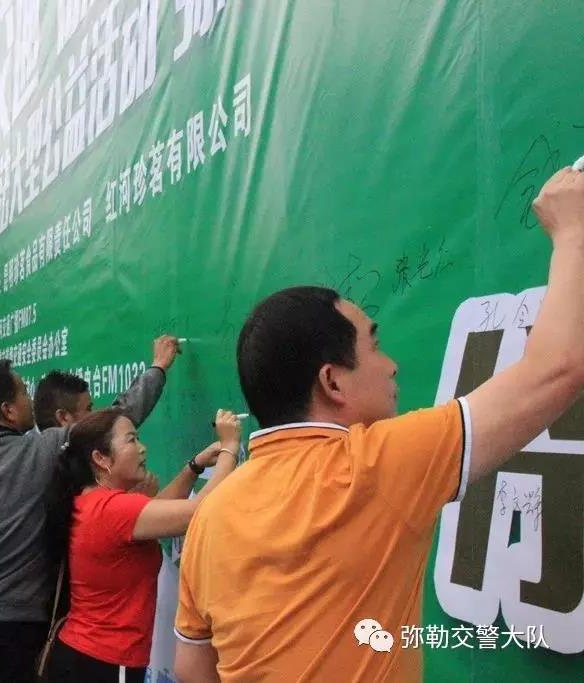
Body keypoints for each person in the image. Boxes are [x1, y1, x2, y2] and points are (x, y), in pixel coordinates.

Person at [173, 167, 584, 682]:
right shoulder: (371, 467)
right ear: (332, 381)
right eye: (374, 344)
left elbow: (192, 669)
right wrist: (573, 232)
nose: (391, 366)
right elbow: (558, 369)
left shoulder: (212, 514)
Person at [0, 338, 177, 683]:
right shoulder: (41, 451)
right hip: (23, 628)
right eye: (23, 393)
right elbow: (116, 420)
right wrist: (157, 368)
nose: (30, 400)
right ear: (8, 411)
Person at [44, 409, 239, 682]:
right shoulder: (113, 509)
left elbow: (156, 512)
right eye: (131, 440)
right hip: (107, 661)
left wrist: (193, 467)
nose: (142, 448)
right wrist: (230, 446)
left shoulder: (94, 502)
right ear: (100, 458)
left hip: (84, 655)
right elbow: (199, 512)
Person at [33, 335, 180, 430]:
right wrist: (158, 366)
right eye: (88, 409)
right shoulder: (74, 459)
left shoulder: (39, 455)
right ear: (64, 418)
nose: (95, 415)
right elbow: (120, 418)